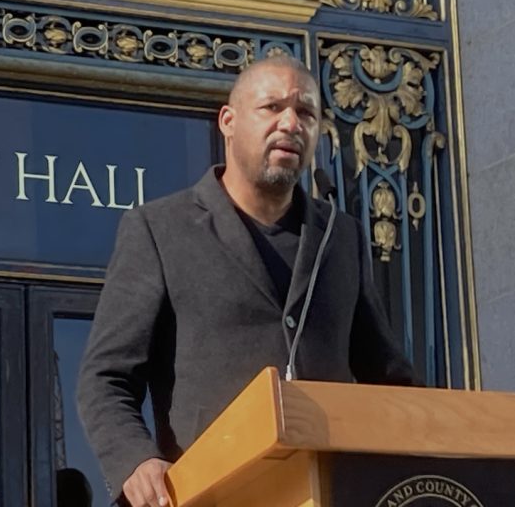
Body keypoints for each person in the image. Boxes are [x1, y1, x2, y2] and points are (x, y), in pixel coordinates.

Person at [76, 56, 417, 507]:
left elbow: (387, 378)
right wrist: (136, 462)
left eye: (306, 113)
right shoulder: (160, 229)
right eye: (272, 107)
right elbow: (104, 378)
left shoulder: (340, 236)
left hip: (331, 490)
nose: (291, 123)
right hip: (211, 491)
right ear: (229, 122)